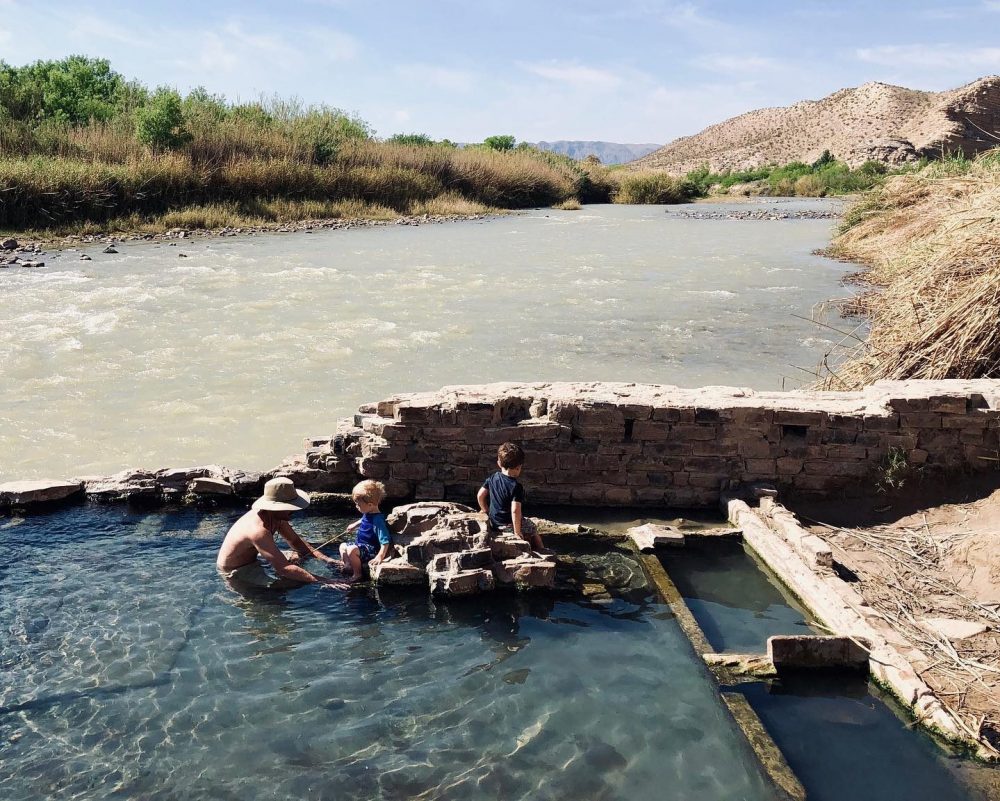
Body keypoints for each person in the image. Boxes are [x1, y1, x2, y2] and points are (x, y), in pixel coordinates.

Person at [217, 476, 344, 588]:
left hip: (255, 558)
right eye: (289, 507)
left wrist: (329, 561)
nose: (293, 511)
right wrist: (328, 582)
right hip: (237, 570)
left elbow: (296, 542)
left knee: (296, 557)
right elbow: (285, 569)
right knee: (289, 584)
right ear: (276, 508)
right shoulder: (258, 531)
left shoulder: (275, 516)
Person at [477, 442, 546, 552]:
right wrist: (517, 532)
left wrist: (485, 510)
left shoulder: (493, 477)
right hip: (507, 525)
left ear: (499, 463)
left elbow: (480, 495)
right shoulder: (516, 487)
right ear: (519, 468)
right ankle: (543, 550)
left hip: (494, 522)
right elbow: (515, 511)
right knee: (532, 528)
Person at [340, 479, 393, 582]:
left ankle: (357, 574)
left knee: (351, 550)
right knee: (342, 546)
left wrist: (379, 556)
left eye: (358, 505)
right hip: (361, 546)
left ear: (370, 505)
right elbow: (363, 519)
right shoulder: (368, 512)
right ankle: (348, 565)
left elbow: (385, 540)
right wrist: (354, 525)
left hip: (371, 550)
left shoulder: (378, 520)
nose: (356, 507)